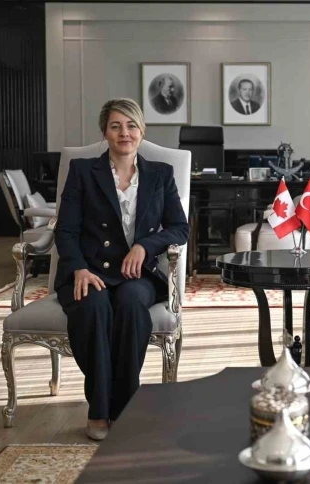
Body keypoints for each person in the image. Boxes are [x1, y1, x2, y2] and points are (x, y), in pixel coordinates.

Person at [54, 98, 189, 441]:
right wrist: (78, 269)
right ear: (105, 132)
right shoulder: (83, 171)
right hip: (89, 271)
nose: (124, 133)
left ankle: (125, 408)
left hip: (136, 275)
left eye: (131, 126)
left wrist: (145, 246)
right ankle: (100, 409)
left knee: (130, 306)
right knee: (94, 307)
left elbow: (180, 227)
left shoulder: (160, 174)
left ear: (142, 131)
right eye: (115, 126)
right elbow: (66, 230)